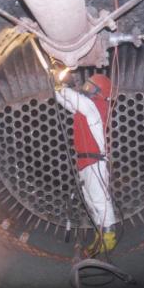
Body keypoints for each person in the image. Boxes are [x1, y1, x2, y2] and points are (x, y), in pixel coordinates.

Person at [55, 74, 117, 254]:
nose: (86, 88)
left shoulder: (96, 107)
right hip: (84, 161)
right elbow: (67, 102)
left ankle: (109, 236)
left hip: (94, 162)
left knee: (99, 199)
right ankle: (100, 233)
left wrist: (61, 84)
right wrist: (56, 87)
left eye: (90, 86)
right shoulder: (85, 109)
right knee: (91, 200)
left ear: (99, 91)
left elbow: (74, 99)